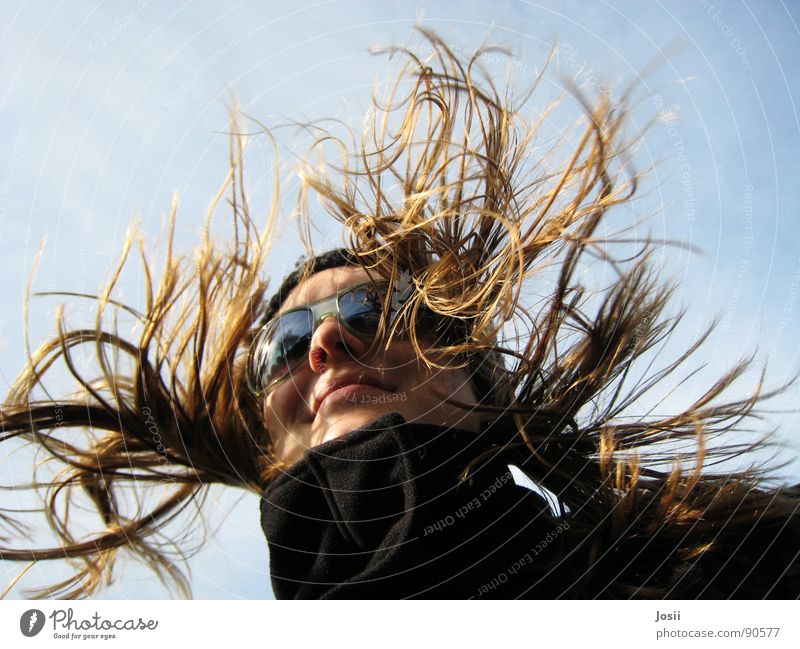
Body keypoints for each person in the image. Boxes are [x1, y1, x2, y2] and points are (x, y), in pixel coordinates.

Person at [2, 29, 799, 599]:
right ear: (264, 439)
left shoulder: (727, 573)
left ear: (479, 378)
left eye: (376, 308)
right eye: (283, 343)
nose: (325, 340)